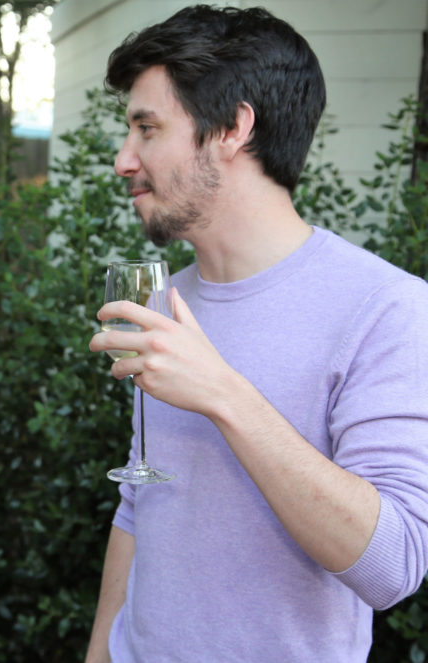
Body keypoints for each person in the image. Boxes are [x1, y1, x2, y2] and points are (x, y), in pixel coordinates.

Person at [85, 5, 428, 662]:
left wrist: (224, 392)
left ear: (232, 128)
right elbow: (139, 505)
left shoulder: (386, 308)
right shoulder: (167, 298)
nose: (124, 158)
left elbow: (391, 568)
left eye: (147, 128)